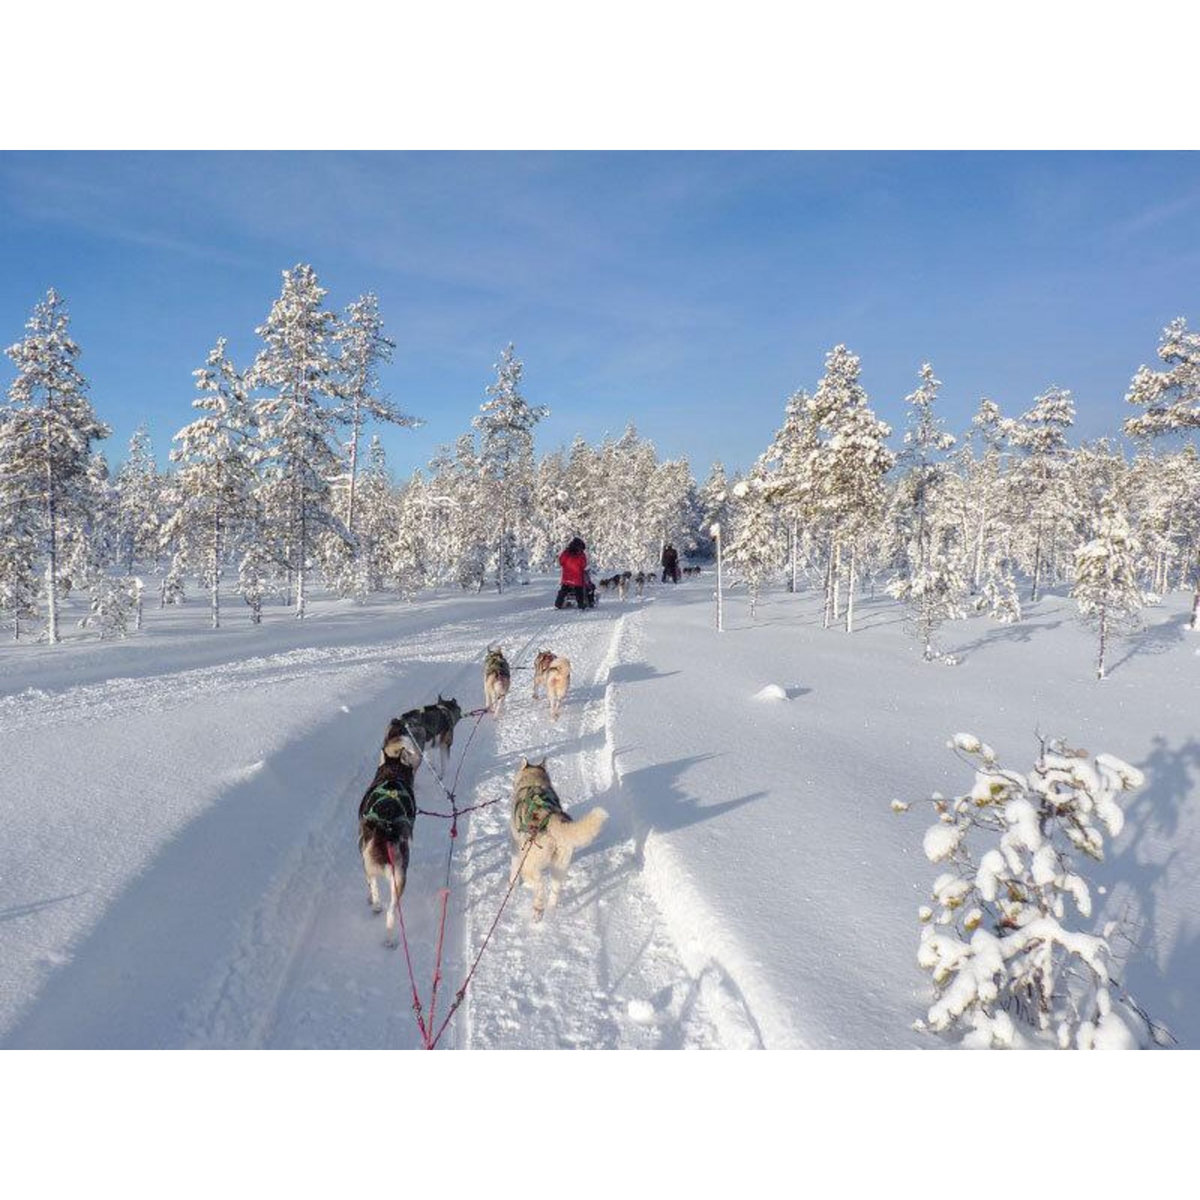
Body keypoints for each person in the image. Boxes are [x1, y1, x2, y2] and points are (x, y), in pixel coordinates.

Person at [555, 537, 589, 610]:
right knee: (579, 592)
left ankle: (558, 604)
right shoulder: (581, 554)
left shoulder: (566, 552)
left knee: (563, 591)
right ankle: (581, 605)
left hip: (566, 577)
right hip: (577, 578)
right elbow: (583, 565)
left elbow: (561, 562)